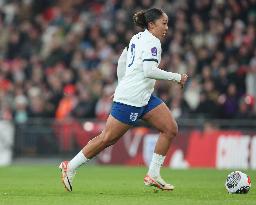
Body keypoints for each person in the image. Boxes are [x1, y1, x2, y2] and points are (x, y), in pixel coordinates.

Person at [59, 8, 188, 192]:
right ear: (151, 25)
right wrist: (177, 77)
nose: (166, 27)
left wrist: (121, 84)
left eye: (167, 23)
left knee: (170, 128)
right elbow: (149, 71)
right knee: (107, 139)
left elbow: (122, 61)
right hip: (132, 99)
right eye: (164, 23)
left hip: (144, 97)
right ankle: (69, 167)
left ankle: (153, 174)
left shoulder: (137, 37)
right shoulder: (153, 43)